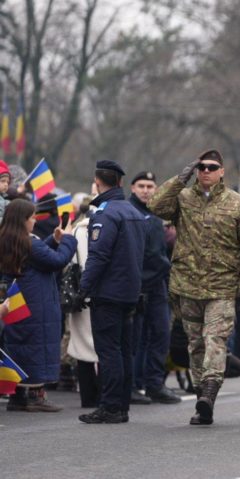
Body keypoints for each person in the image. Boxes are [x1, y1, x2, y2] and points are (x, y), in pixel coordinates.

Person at [148, 149, 240, 425]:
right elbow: (155, 205)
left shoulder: (238, 204)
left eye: (212, 167)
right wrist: (180, 178)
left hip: (223, 287)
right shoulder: (183, 199)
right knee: (196, 345)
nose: (206, 172)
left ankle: (209, 392)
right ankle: (202, 399)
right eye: (201, 167)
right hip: (187, 285)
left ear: (222, 171)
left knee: (215, 340)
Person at [77, 161, 147, 424]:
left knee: (108, 352)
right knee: (122, 351)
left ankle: (110, 407)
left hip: (108, 293)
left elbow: (98, 256)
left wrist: (84, 287)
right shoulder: (133, 212)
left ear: (97, 182)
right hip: (130, 292)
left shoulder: (105, 214)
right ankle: (122, 406)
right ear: (120, 182)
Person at [1, 199, 77, 412]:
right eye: (32, 217)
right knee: (38, 344)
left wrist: (53, 239)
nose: (35, 220)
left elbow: (40, 255)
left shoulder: (8, 239)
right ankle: (36, 396)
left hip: (16, 301)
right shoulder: (29, 243)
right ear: (23, 220)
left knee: (19, 345)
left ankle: (17, 396)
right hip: (37, 302)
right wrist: (69, 239)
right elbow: (57, 261)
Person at [128, 171, 181, 404]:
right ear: (132, 188)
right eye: (141, 185)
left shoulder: (157, 212)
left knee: (160, 335)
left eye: (150, 186)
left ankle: (154, 383)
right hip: (136, 283)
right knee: (133, 339)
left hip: (157, 284)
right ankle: (130, 385)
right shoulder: (129, 213)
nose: (146, 190)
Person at [67, 197, 101, 408]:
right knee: (103, 347)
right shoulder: (105, 230)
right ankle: (104, 396)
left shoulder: (76, 231)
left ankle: (88, 397)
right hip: (101, 293)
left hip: (79, 295)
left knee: (81, 347)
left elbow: (70, 263)